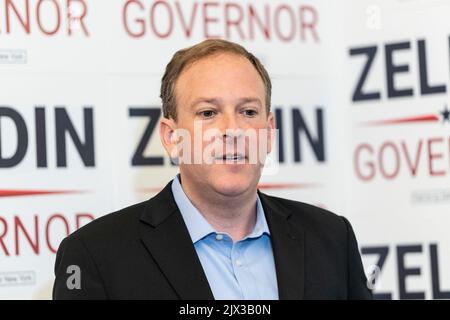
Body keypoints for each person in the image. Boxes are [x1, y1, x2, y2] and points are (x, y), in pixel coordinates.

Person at [53, 39, 372, 300]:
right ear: (171, 137)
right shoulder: (95, 255)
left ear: (269, 130)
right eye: (208, 113)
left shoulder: (331, 238)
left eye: (248, 111)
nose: (232, 129)